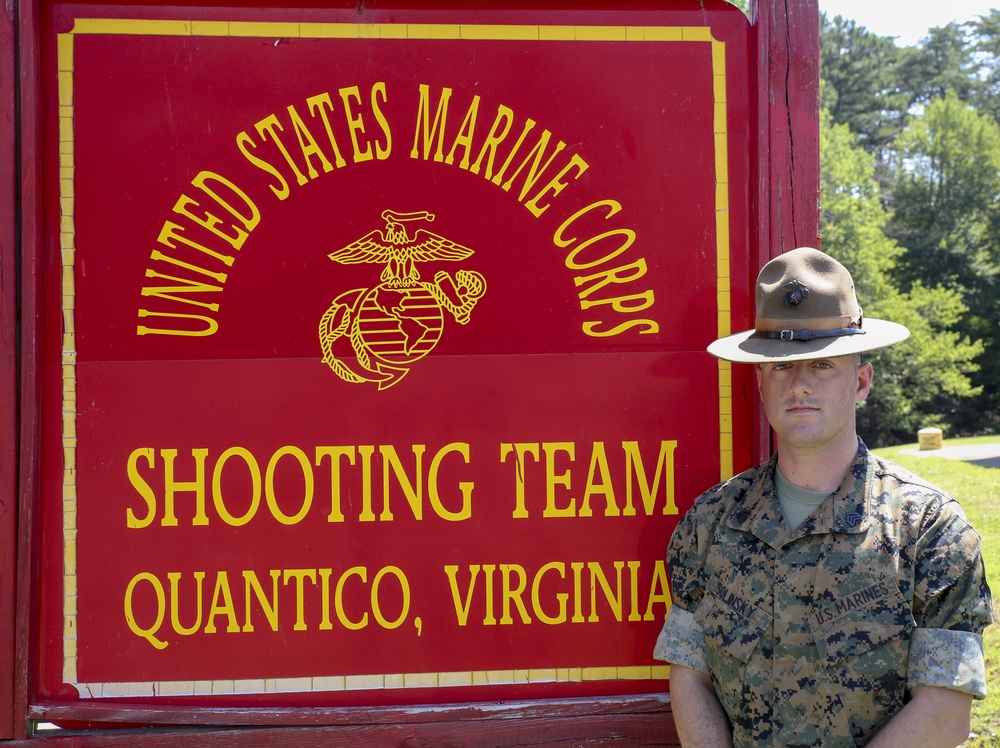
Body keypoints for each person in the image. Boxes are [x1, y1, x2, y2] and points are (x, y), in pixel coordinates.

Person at [653, 247, 993, 747]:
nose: (800, 385)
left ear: (860, 381)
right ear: (761, 383)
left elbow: (945, 712)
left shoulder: (929, 531)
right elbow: (691, 675)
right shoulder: (710, 522)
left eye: (824, 364)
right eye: (781, 367)